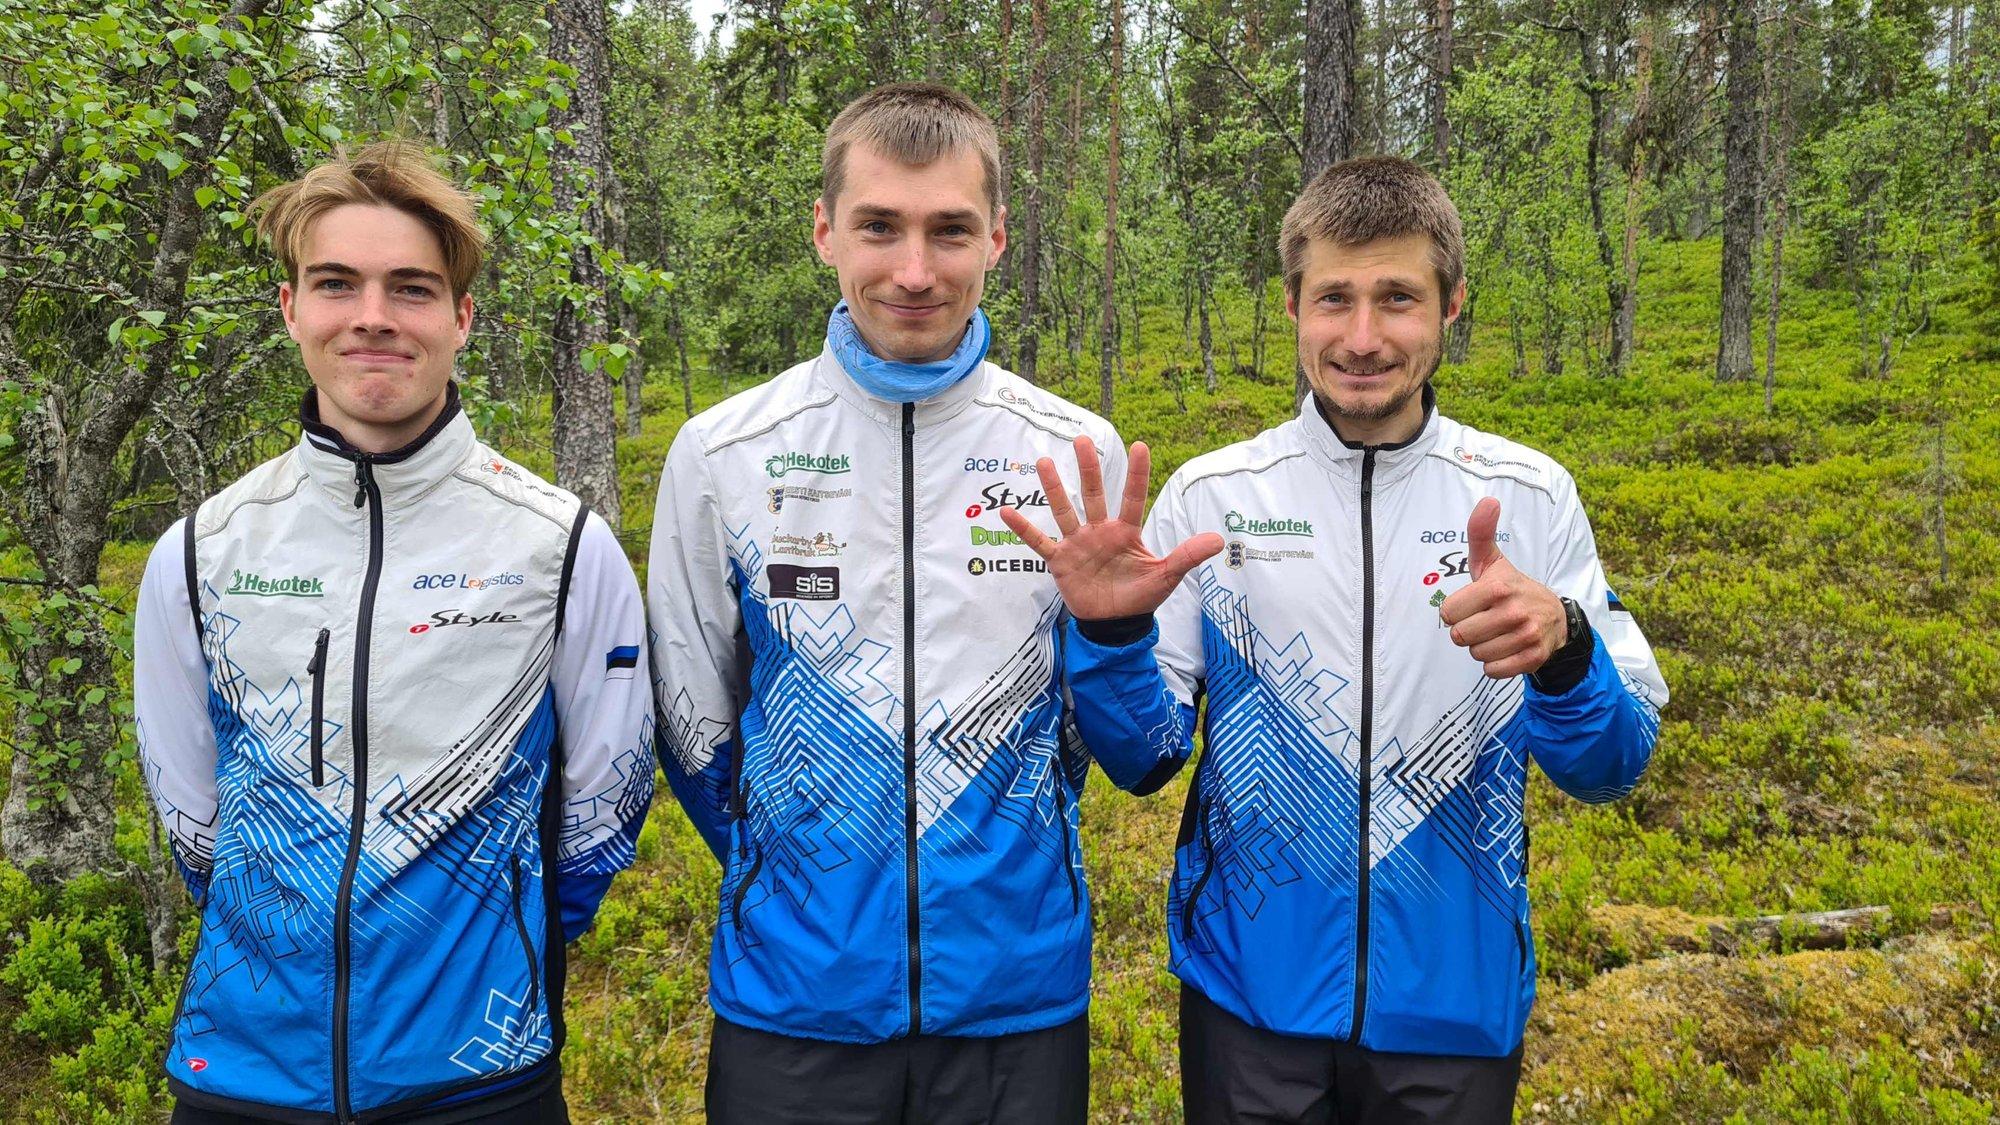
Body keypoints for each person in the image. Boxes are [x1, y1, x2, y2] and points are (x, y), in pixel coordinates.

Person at [1022, 155, 1669, 1123]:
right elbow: (1141, 757)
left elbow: (1608, 768)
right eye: (1333, 299)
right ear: (1290, 306)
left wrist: (1568, 649)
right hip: (1250, 1000)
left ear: (1450, 306)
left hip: (1454, 1003)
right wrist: (1110, 633)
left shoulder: (1528, 496)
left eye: (1396, 299)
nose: (1361, 338)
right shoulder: (1217, 496)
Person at [646, 82, 1217, 1124]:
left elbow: (1137, 757)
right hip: (793, 1005)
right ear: (823, 232)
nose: (914, 271)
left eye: (949, 230)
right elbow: (691, 726)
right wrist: (807, 877)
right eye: (878, 227)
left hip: (1014, 1001)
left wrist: (1114, 628)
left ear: (996, 237)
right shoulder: (723, 454)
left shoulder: (1071, 451)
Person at [132, 142, 654, 1124]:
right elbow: (191, 817)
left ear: (460, 318)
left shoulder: (563, 548)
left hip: (479, 1079)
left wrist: (499, 951)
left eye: (410, 289)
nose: (373, 317)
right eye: (337, 284)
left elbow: (604, 809)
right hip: (243, 1074)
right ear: (291, 308)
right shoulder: (198, 552)